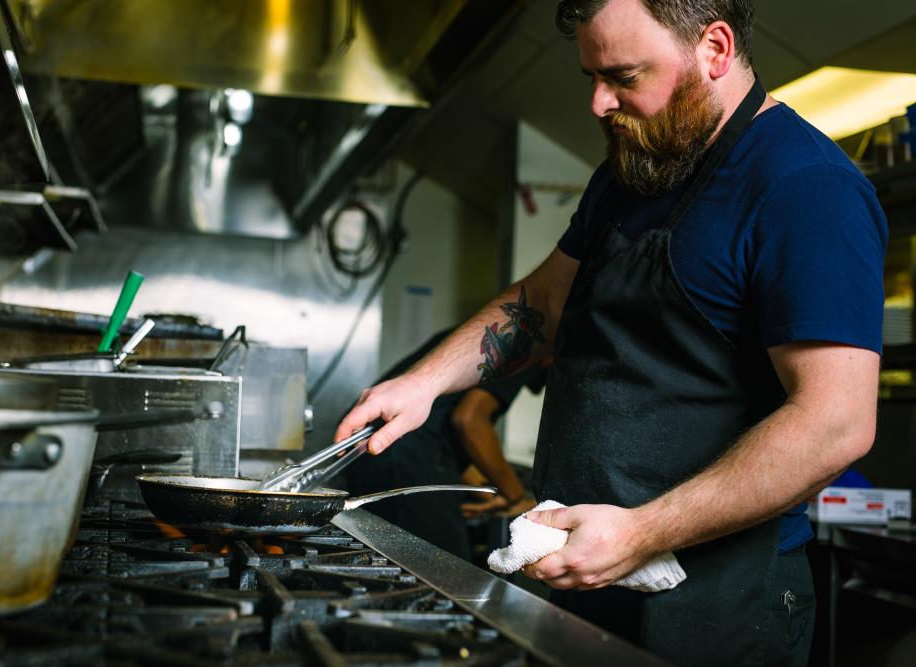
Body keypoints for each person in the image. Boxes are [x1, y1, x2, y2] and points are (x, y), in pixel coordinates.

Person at [336, 0, 887, 664]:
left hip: (713, 604)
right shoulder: (634, 168)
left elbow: (836, 422)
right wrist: (424, 382)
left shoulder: (806, 188)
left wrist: (640, 532)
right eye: (592, 76)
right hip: (582, 567)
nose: (601, 102)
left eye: (624, 76)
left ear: (713, 49)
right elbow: (540, 302)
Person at [343, 329, 546, 561]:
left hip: (371, 454)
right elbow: (469, 421)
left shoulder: (470, 337)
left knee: (387, 565)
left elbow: (444, 433)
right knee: (445, 569)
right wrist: (515, 495)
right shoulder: (525, 343)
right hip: (403, 461)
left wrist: (486, 496)